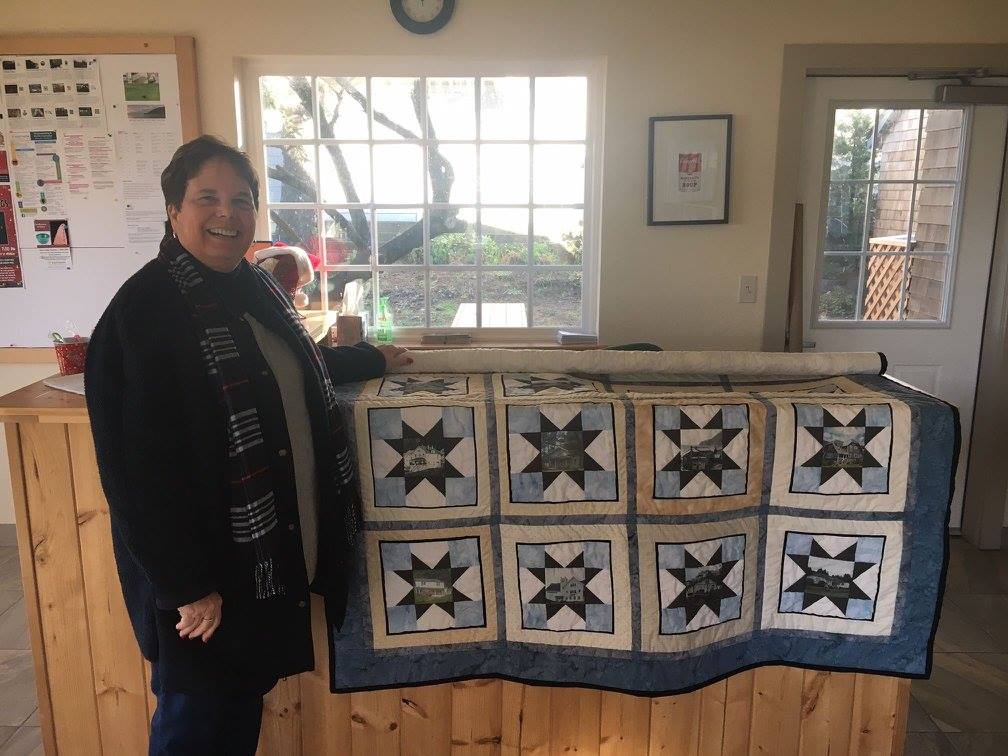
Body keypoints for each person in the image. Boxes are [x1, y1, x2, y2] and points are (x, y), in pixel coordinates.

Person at [85, 135, 411, 754]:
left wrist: (371, 357)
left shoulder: (247, 289)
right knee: (196, 721)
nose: (227, 214)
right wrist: (184, 585)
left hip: (252, 571)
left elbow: (293, 366)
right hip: (203, 580)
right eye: (206, 197)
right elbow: (136, 472)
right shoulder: (146, 311)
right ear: (173, 209)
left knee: (234, 716)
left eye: (241, 200)